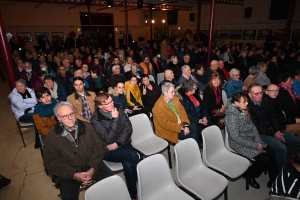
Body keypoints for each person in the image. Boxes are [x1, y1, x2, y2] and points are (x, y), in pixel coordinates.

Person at [43, 101, 113, 200]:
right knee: (68, 197)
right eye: (65, 116)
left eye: (71, 114)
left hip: (93, 165)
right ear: (59, 119)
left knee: (113, 185)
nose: (70, 118)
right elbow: (51, 162)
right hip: (69, 173)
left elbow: (99, 148)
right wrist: (74, 175)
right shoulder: (51, 137)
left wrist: (92, 168)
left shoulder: (87, 127)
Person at [225, 92, 279, 189]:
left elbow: (253, 127)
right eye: (244, 102)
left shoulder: (243, 110)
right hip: (238, 143)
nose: (247, 104)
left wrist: (258, 141)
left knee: (271, 151)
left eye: (247, 101)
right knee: (264, 158)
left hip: (250, 138)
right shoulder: (231, 117)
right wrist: (256, 146)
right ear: (236, 103)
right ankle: (249, 174)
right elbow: (235, 138)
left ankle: (274, 180)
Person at [90, 93, 139, 200]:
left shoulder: (118, 107)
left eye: (111, 100)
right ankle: (139, 180)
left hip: (123, 144)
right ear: (100, 106)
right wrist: (115, 119)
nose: (112, 104)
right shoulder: (95, 120)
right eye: (108, 103)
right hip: (109, 151)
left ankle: (132, 195)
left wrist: (118, 143)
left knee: (129, 165)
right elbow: (108, 138)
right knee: (133, 156)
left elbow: (128, 127)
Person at [247, 83, 300, 170]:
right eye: (256, 94)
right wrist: (274, 133)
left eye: (261, 93)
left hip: (273, 129)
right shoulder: (248, 106)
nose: (260, 95)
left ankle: (286, 163)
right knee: (282, 148)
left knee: (296, 141)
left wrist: (278, 130)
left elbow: (273, 117)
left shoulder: (265, 101)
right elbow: (257, 127)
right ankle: (281, 171)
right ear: (249, 95)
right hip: (260, 133)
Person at [177, 79, 210, 145]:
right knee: (202, 131)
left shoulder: (195, 94)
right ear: (189, 91)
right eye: (194, 88)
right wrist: (198, 120)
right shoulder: (182, 99)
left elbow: (203, 107)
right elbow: (186, 115)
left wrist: (204, 116)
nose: (196, 88)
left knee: (211, 127)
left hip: (200, 117)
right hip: (192, 121)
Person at [8, 79, 40, 148]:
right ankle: (38, 139)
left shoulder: (30, 91)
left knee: (41, 115)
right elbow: (20, 106)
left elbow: (36, 100)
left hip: (33, 112)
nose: (19, 88)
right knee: (36, 117)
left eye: (21, 86)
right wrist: (32, 103)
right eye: (17, 86)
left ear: (25, 87)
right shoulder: (13, 96)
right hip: (22, 115)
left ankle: (41, 136)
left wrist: (23, 100)